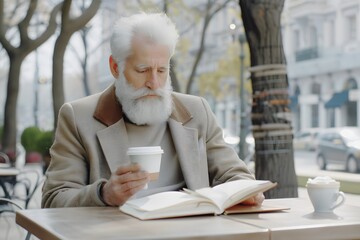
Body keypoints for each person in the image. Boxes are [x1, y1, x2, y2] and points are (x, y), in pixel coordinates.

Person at [42, 12, 264, 208]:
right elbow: (54, 199)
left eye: (162, 70)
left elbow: (235, 174)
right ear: (115, 67)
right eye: (143, 70)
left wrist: (245, 191)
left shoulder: (197, 111)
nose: (154, 82)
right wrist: (103, 194)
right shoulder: (78, 117)